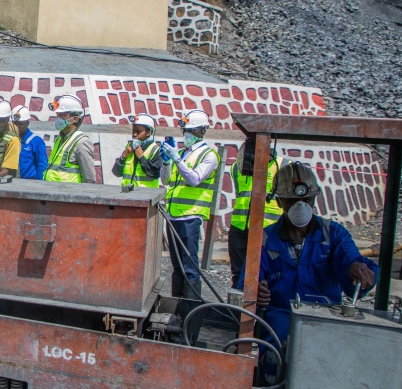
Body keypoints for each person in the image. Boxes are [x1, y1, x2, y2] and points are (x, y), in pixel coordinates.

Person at [236, 162, 377, 346]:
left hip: (326, 315)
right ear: (279, 202)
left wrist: (360, 273)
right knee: (278, 340)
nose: (300, 207)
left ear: (314, 199)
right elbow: (244, 287)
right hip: (282, 316)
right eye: (291, 201)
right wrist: (254, 293)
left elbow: (352, 264)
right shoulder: (265, 240)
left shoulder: (333, 234)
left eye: (306, 200)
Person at [160, 109, 220, 299]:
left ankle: (190, 312)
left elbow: (194, 179)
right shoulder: (185, 154)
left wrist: (176, 158)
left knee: (189, 267)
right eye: (186, 130)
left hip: (190, 217)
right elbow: (167, 180)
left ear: (202, 131)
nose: (187, 134)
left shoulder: (209, 156)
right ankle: (178, 307)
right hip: (173, 216)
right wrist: (167, 162)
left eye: (191, 131)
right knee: (177, 267)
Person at [228, 142, 283, 288]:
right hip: (239, 227)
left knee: (266, 274)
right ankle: (237, 305)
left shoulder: (282, 166)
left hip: (267, 230)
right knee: (238, 273)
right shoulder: (236, 167)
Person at [44, 95, 97, 184]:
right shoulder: (59, 139)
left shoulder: (82, 142)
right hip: (53, 194)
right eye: (57, 115)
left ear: (75, 118)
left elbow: (89, 180)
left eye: (63, 115)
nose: (58, 119)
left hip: (69, 196)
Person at [113, 114, 162, 190]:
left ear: (148, 132)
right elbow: (116, 172)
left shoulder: (155, 150)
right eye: (133, 131)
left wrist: (142, 158)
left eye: (138, 132)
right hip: (127, 196)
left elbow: (155, 174)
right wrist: (123, 157)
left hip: (146, 196)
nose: (134, 134)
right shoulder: (129, 147)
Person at [13, 106, 48, 180]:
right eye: (15, 124)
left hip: (29, 182)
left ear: (27, 123)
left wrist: (39, 184)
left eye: (20, 124)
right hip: (11, 181)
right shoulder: (10, 139)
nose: (17, 127)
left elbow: (42, 165)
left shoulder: (36, 141)